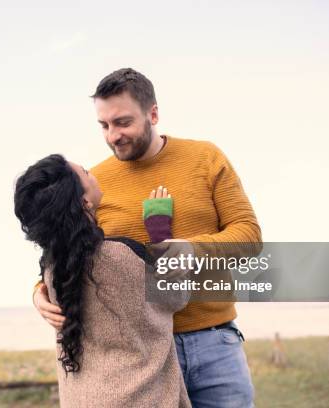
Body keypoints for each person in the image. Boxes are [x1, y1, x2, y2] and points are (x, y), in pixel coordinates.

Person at [33, 68, 261, 407]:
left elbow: (249, 237)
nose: (113, 136)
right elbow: (67, 249)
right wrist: (40, 291)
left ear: (153, 113)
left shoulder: (205, 158)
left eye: (123, 122)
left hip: (213, 345)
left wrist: (191, 249)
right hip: (139, 360)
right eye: (104, 125)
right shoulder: (91, 183)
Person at [14, 154, 192, 407]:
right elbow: (176, 296)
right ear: (85, 201)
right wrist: (160, 232)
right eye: (86, 172)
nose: (93, 173)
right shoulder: (118, 256)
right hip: (137, 398)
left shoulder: (52, 269)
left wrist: (36, 292)